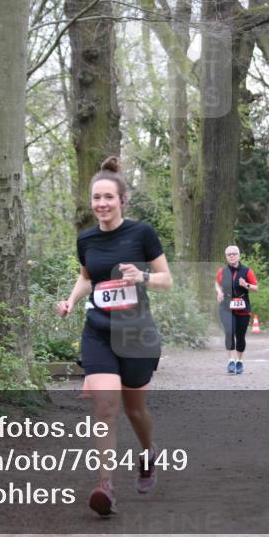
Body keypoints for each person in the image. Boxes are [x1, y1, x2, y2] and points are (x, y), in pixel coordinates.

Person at [55, 156, 172, 517]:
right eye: (96, 198)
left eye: (108, 197)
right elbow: (87, 277)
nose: (101, 204)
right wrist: (71, 301)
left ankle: (148, 451)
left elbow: (166, 279)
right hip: (99, 331)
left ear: (122, 200)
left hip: (136, 333)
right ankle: (105, 484)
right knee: (105, 407)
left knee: (135, 410)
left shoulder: (142, 233)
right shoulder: (86, 239)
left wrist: (143, 278)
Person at [215, 245, 258, 375]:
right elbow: (217, 283)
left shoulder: (247, 271)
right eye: (229, 254)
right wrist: (218, 292)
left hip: (242, 307)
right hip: (226, 307)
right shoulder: (222, 271)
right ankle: (231, 361)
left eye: (234, 253)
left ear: (239, 255)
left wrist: (246, 285)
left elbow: (256, 288)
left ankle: (239, 362)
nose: (232, 256)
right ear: (226, 257)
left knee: (240, 336)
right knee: (229, 332)